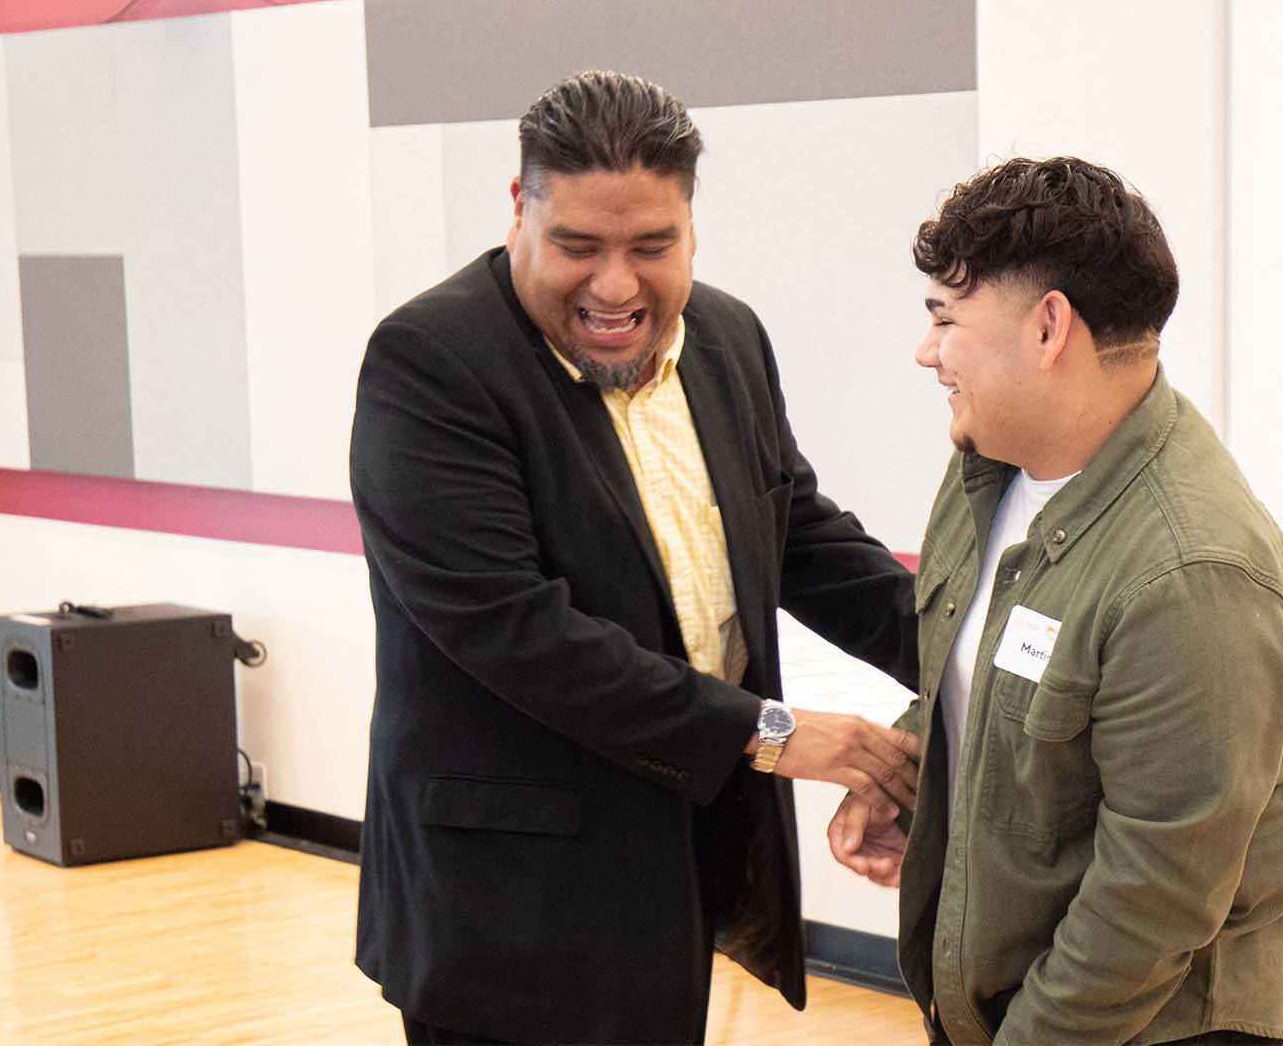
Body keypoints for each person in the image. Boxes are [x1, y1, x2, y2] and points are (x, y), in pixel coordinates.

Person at [350, 70, 921, 1045]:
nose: (615, 285)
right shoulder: (431, 361)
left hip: (676, 866)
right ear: (519, 211)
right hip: (509, 903)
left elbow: (799, 537)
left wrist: (964, 653)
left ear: (691, 227)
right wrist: (781, 732)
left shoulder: (727, 337)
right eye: (579, 246)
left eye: (651, 246)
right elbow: (519, 633)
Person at [829, 156, 1283, 1045]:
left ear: (1050, 326)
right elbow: (991, 666)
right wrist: (910, 763)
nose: (926, 351)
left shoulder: (1193, 574)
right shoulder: (987, 469)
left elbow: (1154, 898)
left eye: (945, 319)